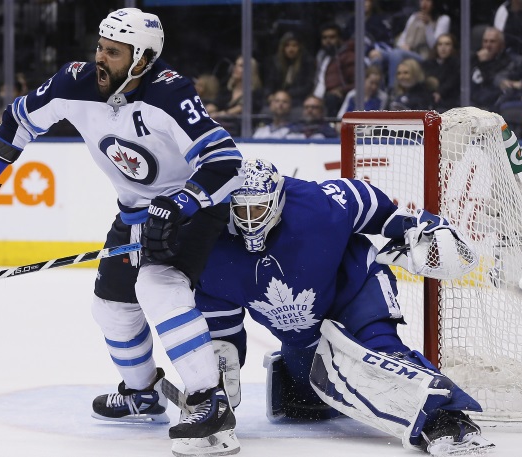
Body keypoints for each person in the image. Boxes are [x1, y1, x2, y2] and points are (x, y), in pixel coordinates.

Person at [0, 8, 243, 456]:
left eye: (113, 51)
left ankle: (210, 402)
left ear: (142, 59)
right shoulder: (76, 82)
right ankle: (141, 392)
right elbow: (20, 118)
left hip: (188, 210)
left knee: (158, 284)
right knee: (111, 307)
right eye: (100, 48)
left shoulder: (170, 93)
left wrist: (182, 202)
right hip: (132, 214)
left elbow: (226, 163)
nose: (100, 59)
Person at [194, 158, 495, 456]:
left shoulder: (322, 205)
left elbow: (382, 212)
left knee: (381, 356)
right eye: (239, 209)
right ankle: (300, 376)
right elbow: (223, 339)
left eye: (257, 208)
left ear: (278, 200)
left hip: (354, 286)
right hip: (303, 332)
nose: (249, 220)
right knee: (307, 404)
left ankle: (449, 419)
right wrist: (215, 390)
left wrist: (416, 227)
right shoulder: (208, 246)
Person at [370, 0, 450, 89]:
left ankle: (392, 90)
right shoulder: (414, 17)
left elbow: (436, 46)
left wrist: (428, 26)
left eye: (428, 1)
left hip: (424, 57)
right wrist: (403, 45)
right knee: (377, 55)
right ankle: (378, 92)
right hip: (406, 52)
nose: (424, 3)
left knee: (396, 54)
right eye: (422, 0)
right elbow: (402, 39)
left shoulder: (443, 19)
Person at [312, 23, 356, 118]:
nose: (328, 41)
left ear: (340, 39)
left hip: (334, 97)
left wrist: (341, 90)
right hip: (316, 96)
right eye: (324, 38)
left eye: (332, 37)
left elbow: (358, 83)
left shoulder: (348, 57)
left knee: (331, 99)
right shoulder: (321, 56)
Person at [214, 55, 264, 137]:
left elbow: (241, 108)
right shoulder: (226, 90)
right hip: (221, 131)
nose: (235, 68)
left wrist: (220, 114)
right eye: (236, 65)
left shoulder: (255, 93)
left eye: (241, 66)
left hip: (242, 133)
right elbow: (216, 103)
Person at [262, 31, 315, 110]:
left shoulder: (307, 62)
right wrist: (270, 95)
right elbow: (269, 84)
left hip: (297, 99)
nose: (291, 49)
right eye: (287, 46)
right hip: (278, 98)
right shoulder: (275, 62)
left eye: (294, 46)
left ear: (300, 47)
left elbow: (307, 86)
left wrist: (286, 95)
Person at [470, 27, 518, 111]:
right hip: (471, 102)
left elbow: (494, 80)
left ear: (502, 44)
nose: (488, 45)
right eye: (485, 41)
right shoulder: (475, 58)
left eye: (492, 41)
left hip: (493, 105)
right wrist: (476, 59)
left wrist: (484, 63)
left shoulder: (509, 61)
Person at [422, 33, 460, 112]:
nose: (443, 47)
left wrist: (440, 92)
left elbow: (451, 82)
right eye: (440, 44)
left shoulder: (457, 65)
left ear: (453, 47)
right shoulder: (428, 64)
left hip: (451, 104)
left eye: (447, 44)